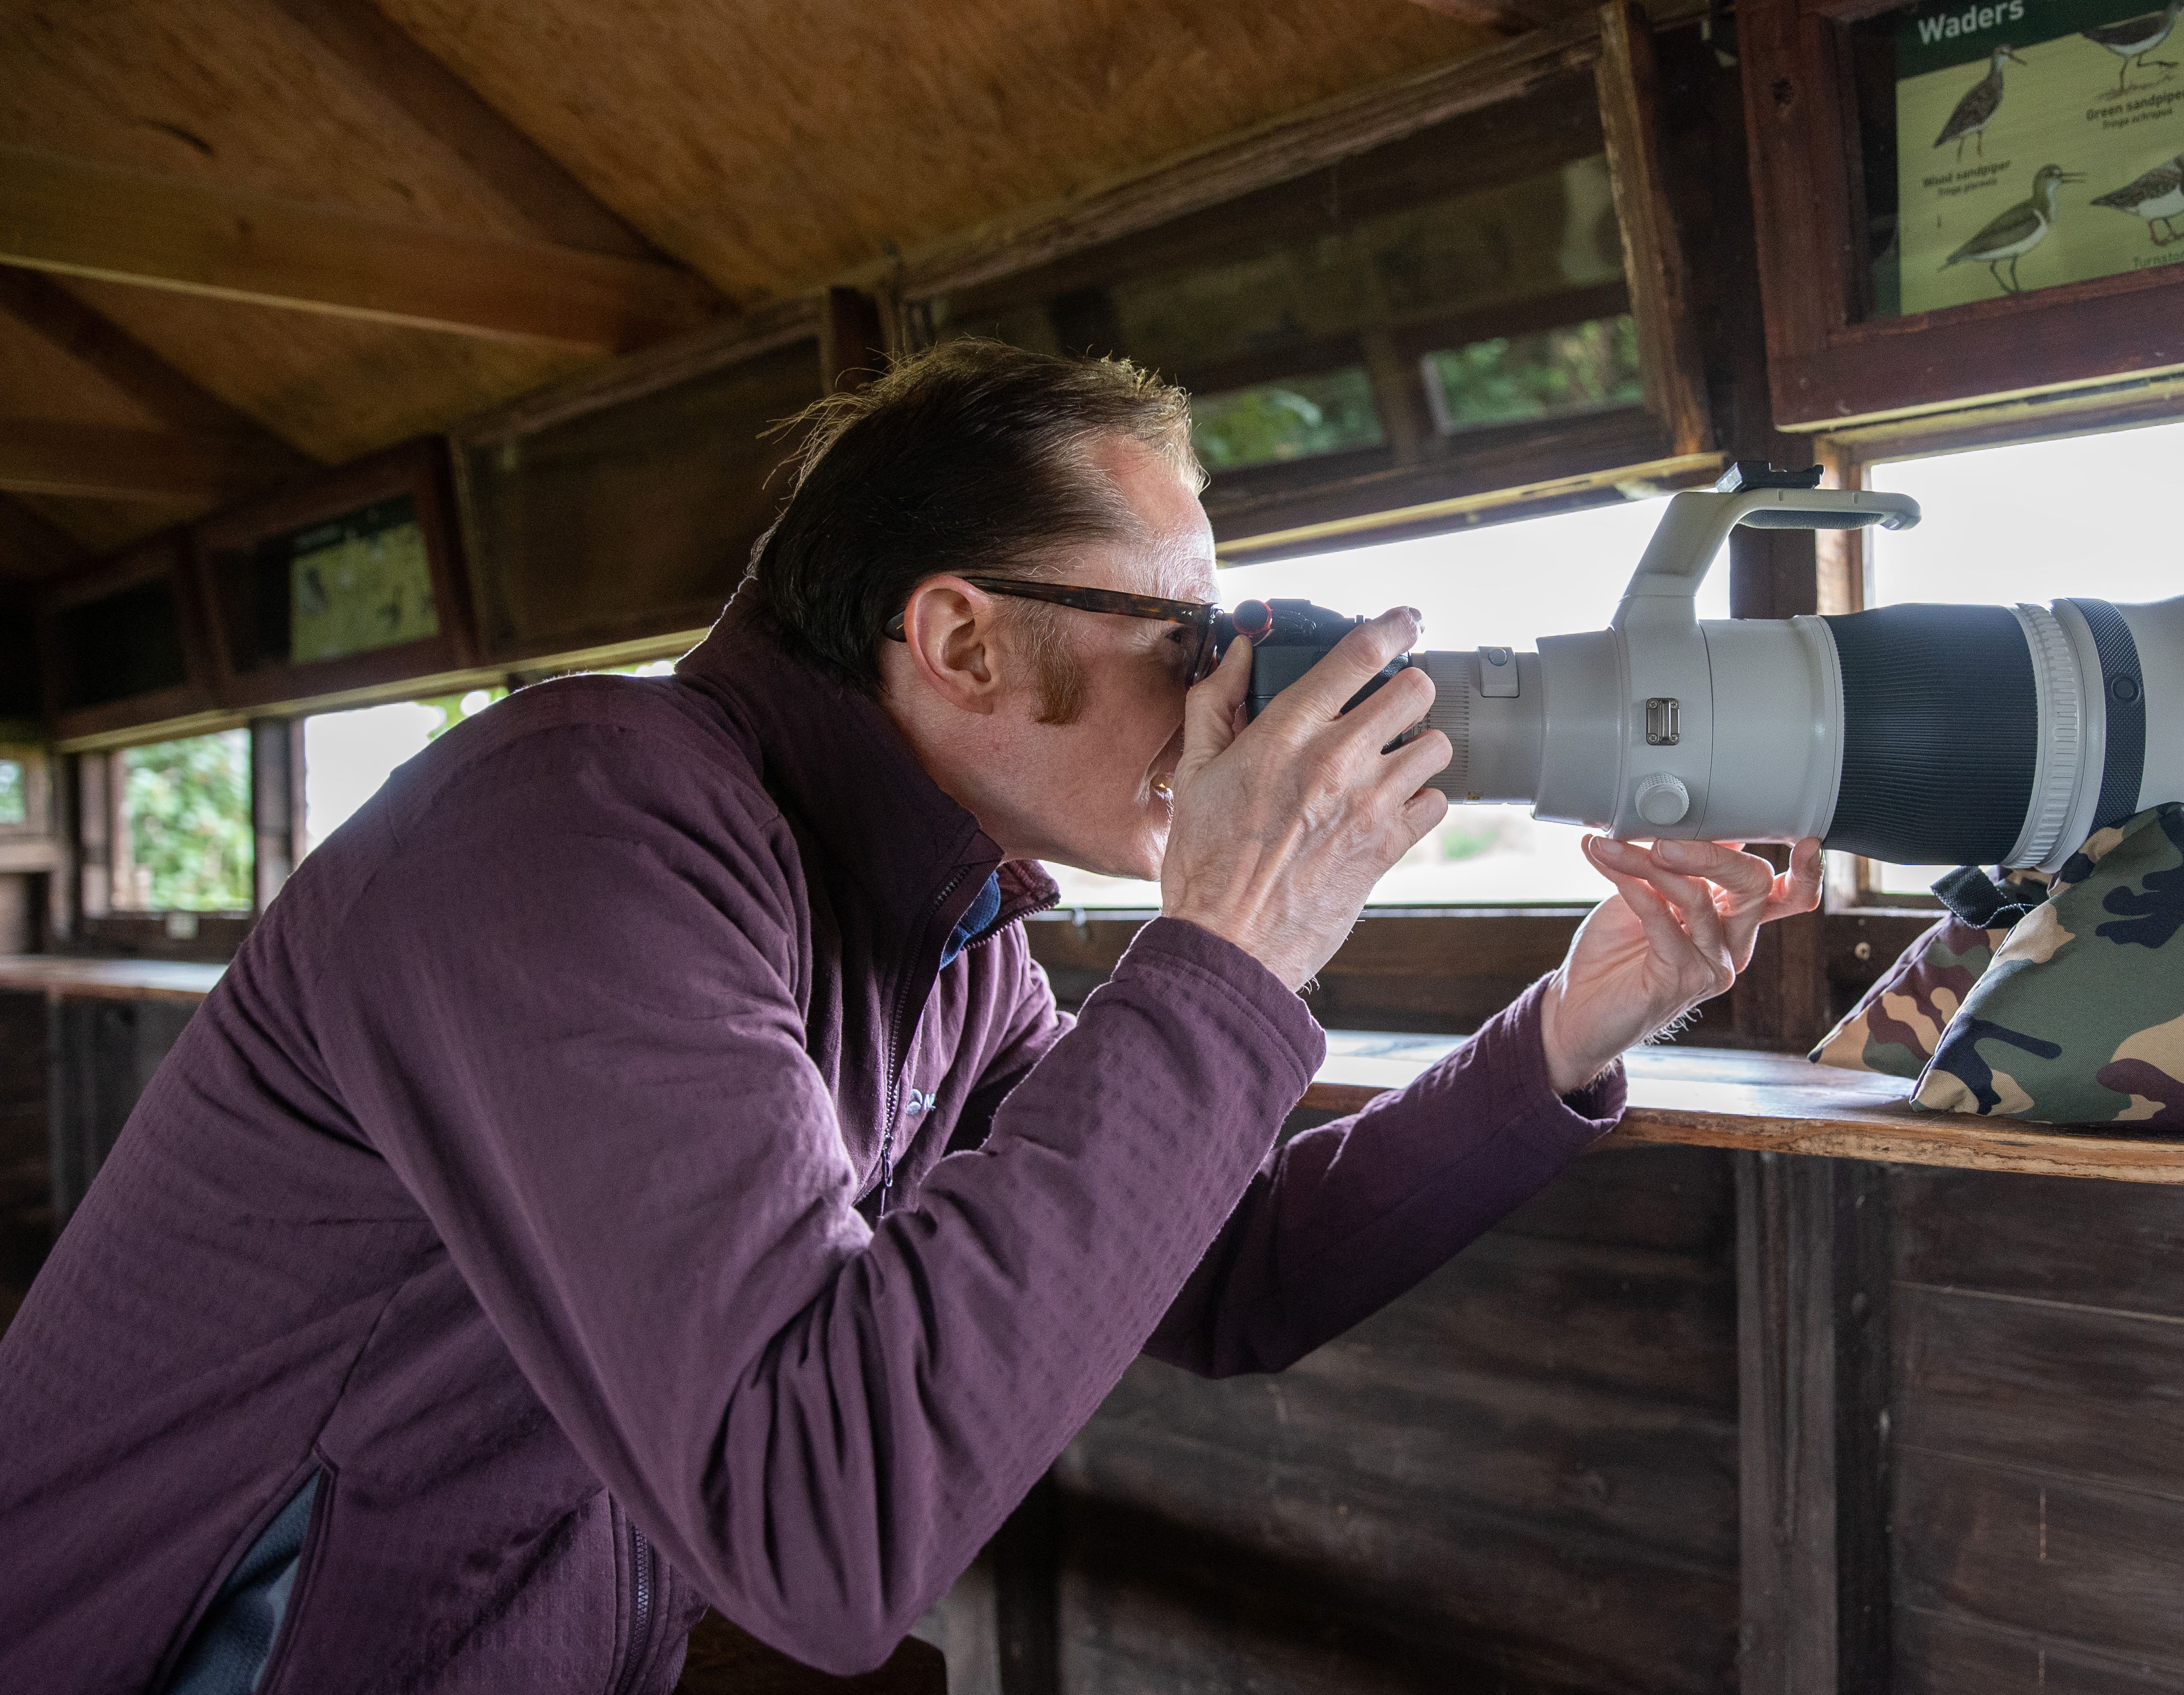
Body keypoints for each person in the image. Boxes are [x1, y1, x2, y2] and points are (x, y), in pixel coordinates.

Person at [0, 341, 1821, 1691]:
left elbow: (1229, 1269)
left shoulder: (939, 933)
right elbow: (823, 1530)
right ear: (957, 641)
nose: (1226, 690)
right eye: (1186, 637)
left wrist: (1584, 1013)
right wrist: (1238, 936)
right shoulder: (578, 826)